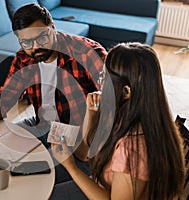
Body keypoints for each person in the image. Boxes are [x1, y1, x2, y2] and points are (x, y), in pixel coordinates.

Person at [0, 3, 107, 183]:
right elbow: (2, 102)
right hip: (43, 124)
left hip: (80, 141)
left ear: (52, 27)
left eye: (41, 38)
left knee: (34, 180)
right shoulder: (24, 59)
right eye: (26, 42)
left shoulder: (86, 53)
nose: (35, 47)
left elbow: (116, 100)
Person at [50, 42, 185, 199]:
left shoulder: (134, 148)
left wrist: (71, 168)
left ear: (126, 91)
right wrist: (92, 114)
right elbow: (87, 152)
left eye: (106, 78)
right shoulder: (128, 113)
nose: (101, 82)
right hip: (100, 182)